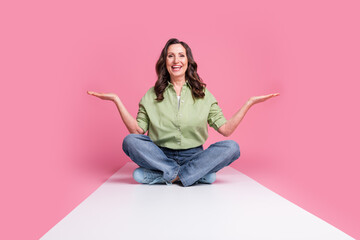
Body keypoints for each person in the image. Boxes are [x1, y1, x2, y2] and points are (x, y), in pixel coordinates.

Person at [87, 38, 279, 187]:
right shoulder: (152, 94)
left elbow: (226, 130)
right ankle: (191, 175)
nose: (176, 60)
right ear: (165, 61)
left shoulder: (203, 94)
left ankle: (172, 176)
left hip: (194, 156)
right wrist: (116, 100)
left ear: (188, 61)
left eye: (181, 55)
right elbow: (138, 132)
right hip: (160, 156)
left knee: (232, 147)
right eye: (171, 55)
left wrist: (249, 103)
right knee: (130, 141)